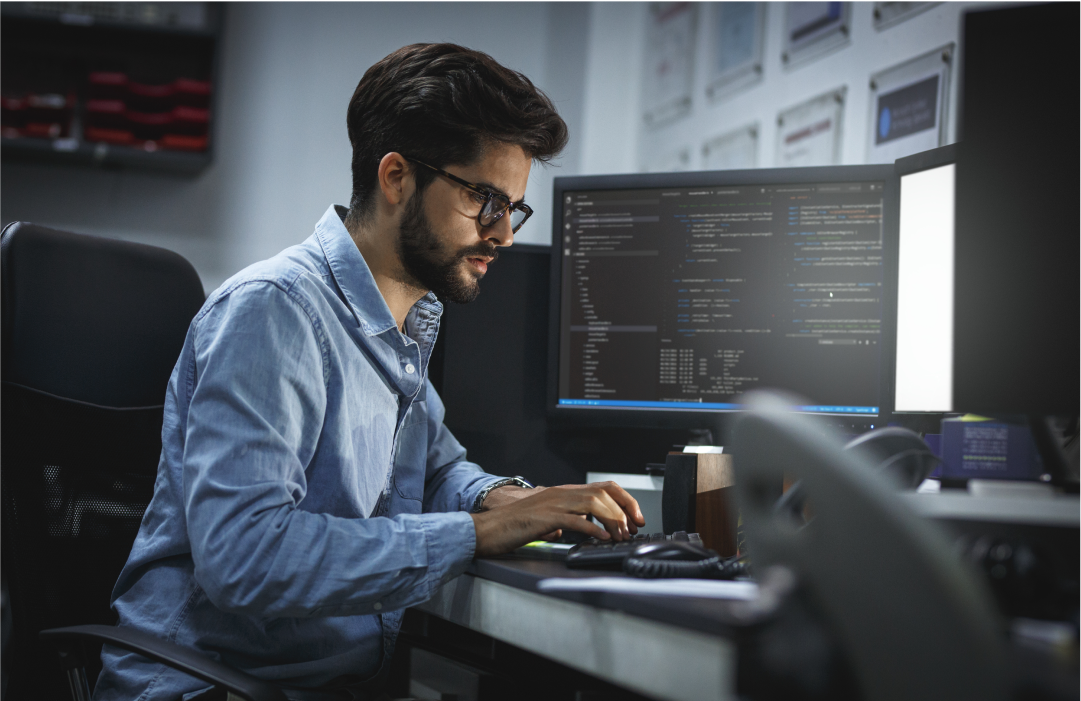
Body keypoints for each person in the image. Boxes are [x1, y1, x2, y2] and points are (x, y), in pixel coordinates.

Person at [94, 43, 644, 700]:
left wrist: (506, 499)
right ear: (396, 177)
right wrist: (472, 532)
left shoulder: (402, 320)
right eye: (484, 200)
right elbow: (244, 557)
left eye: (514, 208)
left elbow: (437, 469)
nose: (503, 233)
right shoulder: (276, 313)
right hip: (209, 685)